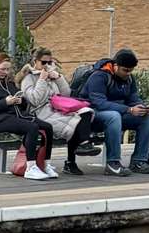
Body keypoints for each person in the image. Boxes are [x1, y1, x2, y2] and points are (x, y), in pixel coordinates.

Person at [0, 53, 56, 180]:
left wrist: (21, 101)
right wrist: (5, 103)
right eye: (2, 69)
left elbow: (23, 104)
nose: (5, 72)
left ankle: (46, 164)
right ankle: (30, 167)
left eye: (8, 69)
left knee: (48, 127)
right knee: (32, 128)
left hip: (16, 116)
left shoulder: (10, 84)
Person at [19, 47, 95, 176]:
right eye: (44, 62)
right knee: (74, 124)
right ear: (35, 62)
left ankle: (83, 144)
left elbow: (66, 94)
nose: (47, 66)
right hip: (41, 113)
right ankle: (74, 157)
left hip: (58, 109)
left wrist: (59, 78)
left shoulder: (52, 75)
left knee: (86, 111)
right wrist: (42, 80)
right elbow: (34, 100)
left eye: (50, 62)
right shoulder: (28, 79)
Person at [82, 48, 149, 176]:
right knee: (113, 116)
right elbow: (99, 103)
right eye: (125, 70)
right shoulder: (99, 76)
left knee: (148, 117)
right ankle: (113, 163)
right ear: (115, 66)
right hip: (93, 114)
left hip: (117, 113)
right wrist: (129, 110)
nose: (128, 73)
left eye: (131, 70)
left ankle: (139, 161)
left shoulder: (129, 79)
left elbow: (133, 98)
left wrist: (142, 107)